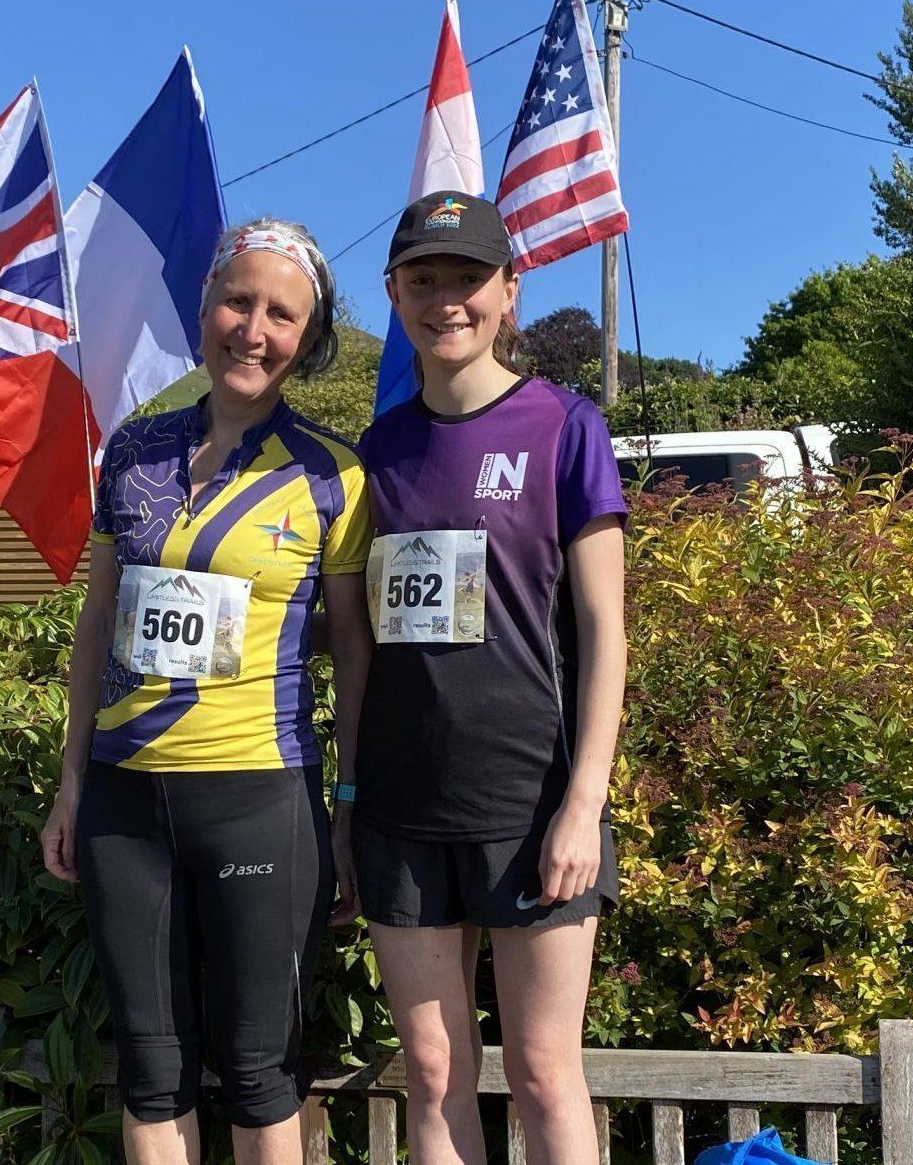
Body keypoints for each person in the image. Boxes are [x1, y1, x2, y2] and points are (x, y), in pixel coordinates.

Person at [40, 219, 373, 1165]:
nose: (253, 329)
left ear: (306, 340)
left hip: (260, 800)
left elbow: (353, 654)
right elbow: (97, 626)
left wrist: (348, 805)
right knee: (150, 1071)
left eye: (281, 314)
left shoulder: (332, 474)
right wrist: (71, 781)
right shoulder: (133, 452)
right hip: (122, 802)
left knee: (261, 1072)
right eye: (239, 302)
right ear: (203, 308)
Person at [352, 191, 629, 1165]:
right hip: (398, 812)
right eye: (424, 279)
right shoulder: (372, 456)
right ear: (393, 294)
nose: (447, 300)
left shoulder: (565, 427)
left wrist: (581, 803)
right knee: (431, 1072)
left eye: (468, 278)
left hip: (532, 805)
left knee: (547, 1074)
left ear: (509, 292)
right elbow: (360, 642)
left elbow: (605, 633)